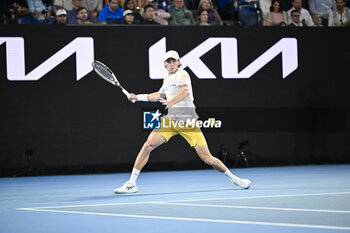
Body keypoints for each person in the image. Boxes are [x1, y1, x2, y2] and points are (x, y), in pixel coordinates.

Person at [113, 50, 251, 194]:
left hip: (188, 122)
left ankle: (235, 179)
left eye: (174, 61)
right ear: (164, 64)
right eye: (169, 61)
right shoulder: (167, 78)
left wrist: (170, 102)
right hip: (171, 121)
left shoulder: (182, 75)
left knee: (207, 158)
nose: (172, 64)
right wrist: (138, 97)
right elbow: (159, 95)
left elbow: (184, 92)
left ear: (178, 62)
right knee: (148, 145)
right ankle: (131, 184)